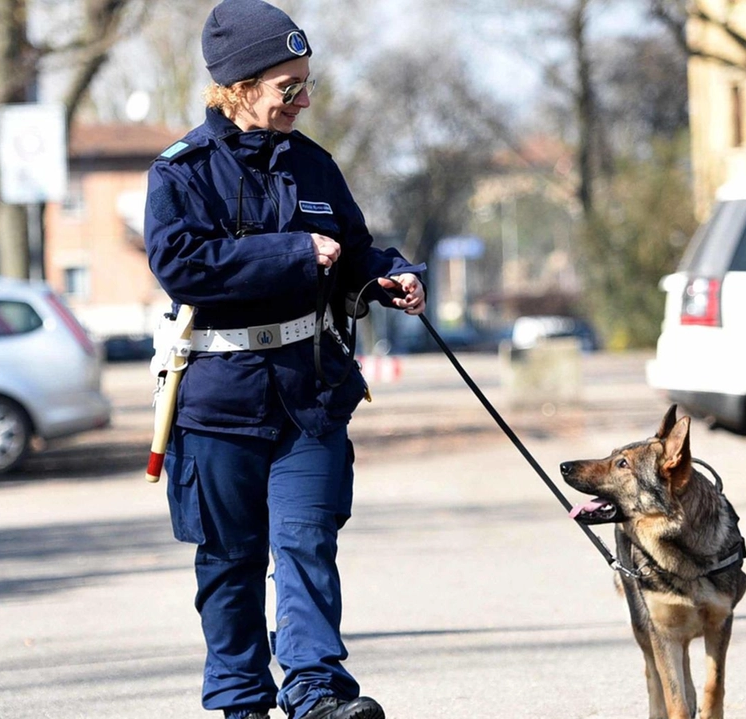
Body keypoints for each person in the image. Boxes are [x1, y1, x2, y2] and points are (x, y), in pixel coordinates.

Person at [143, 2, 425, 718]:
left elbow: (354, 250)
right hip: (218, 405)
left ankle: (316, 691)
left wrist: (387, 274)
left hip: (311, 394)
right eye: (286, 87)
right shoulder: (181, 174)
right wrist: (290, 251)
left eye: (306, 83)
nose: (303, 99)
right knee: (230, 566)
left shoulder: (315, 165)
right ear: (237, 88)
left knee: (306, 544)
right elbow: (182, 264)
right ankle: (242, 702)